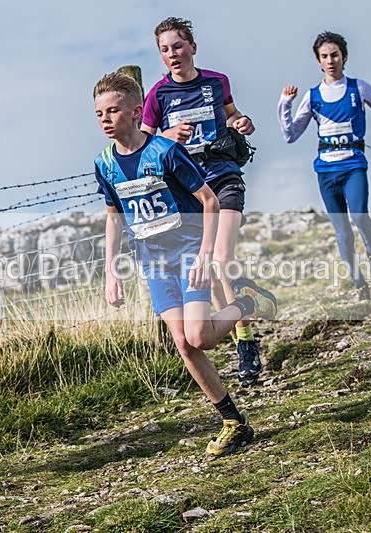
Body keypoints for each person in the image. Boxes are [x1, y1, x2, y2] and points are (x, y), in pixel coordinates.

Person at [93, 71, 278, 458]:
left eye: (113, 110)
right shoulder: (104, 163)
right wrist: (111, 270)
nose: (106, 119)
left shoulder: (164, 151)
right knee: (184, 344)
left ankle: (247, 301)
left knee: (200, 337)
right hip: (153, 261)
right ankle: (234, 423)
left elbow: (209, 201)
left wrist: (207, 253)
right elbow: (113, 215)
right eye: (99, 113)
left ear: (135, 111)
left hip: (191, 249)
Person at [141, 17, 263, 388]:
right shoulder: (157, 96)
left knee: (221, 260)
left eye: (178, 46)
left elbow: (233, 115)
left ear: (193, 47)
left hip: (223, 178)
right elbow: (142, 149)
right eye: (164, 49)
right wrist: (166, 134)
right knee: (209, 273)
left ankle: (246, 344)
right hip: (186, 193)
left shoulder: (216, 82)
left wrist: (243, 123)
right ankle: (247, 308)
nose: (172, 55)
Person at [277, 31, 371, 301]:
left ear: (344, 57)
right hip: (326, 171)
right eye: (324, 56)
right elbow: (290, 135)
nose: (330, 60)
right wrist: (285, 104)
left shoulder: (359, 87)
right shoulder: (312, 96)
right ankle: (359, 284)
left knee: (358, 215)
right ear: (318, 62)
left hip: (354, 164)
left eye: (335, 55)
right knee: (343, 233)